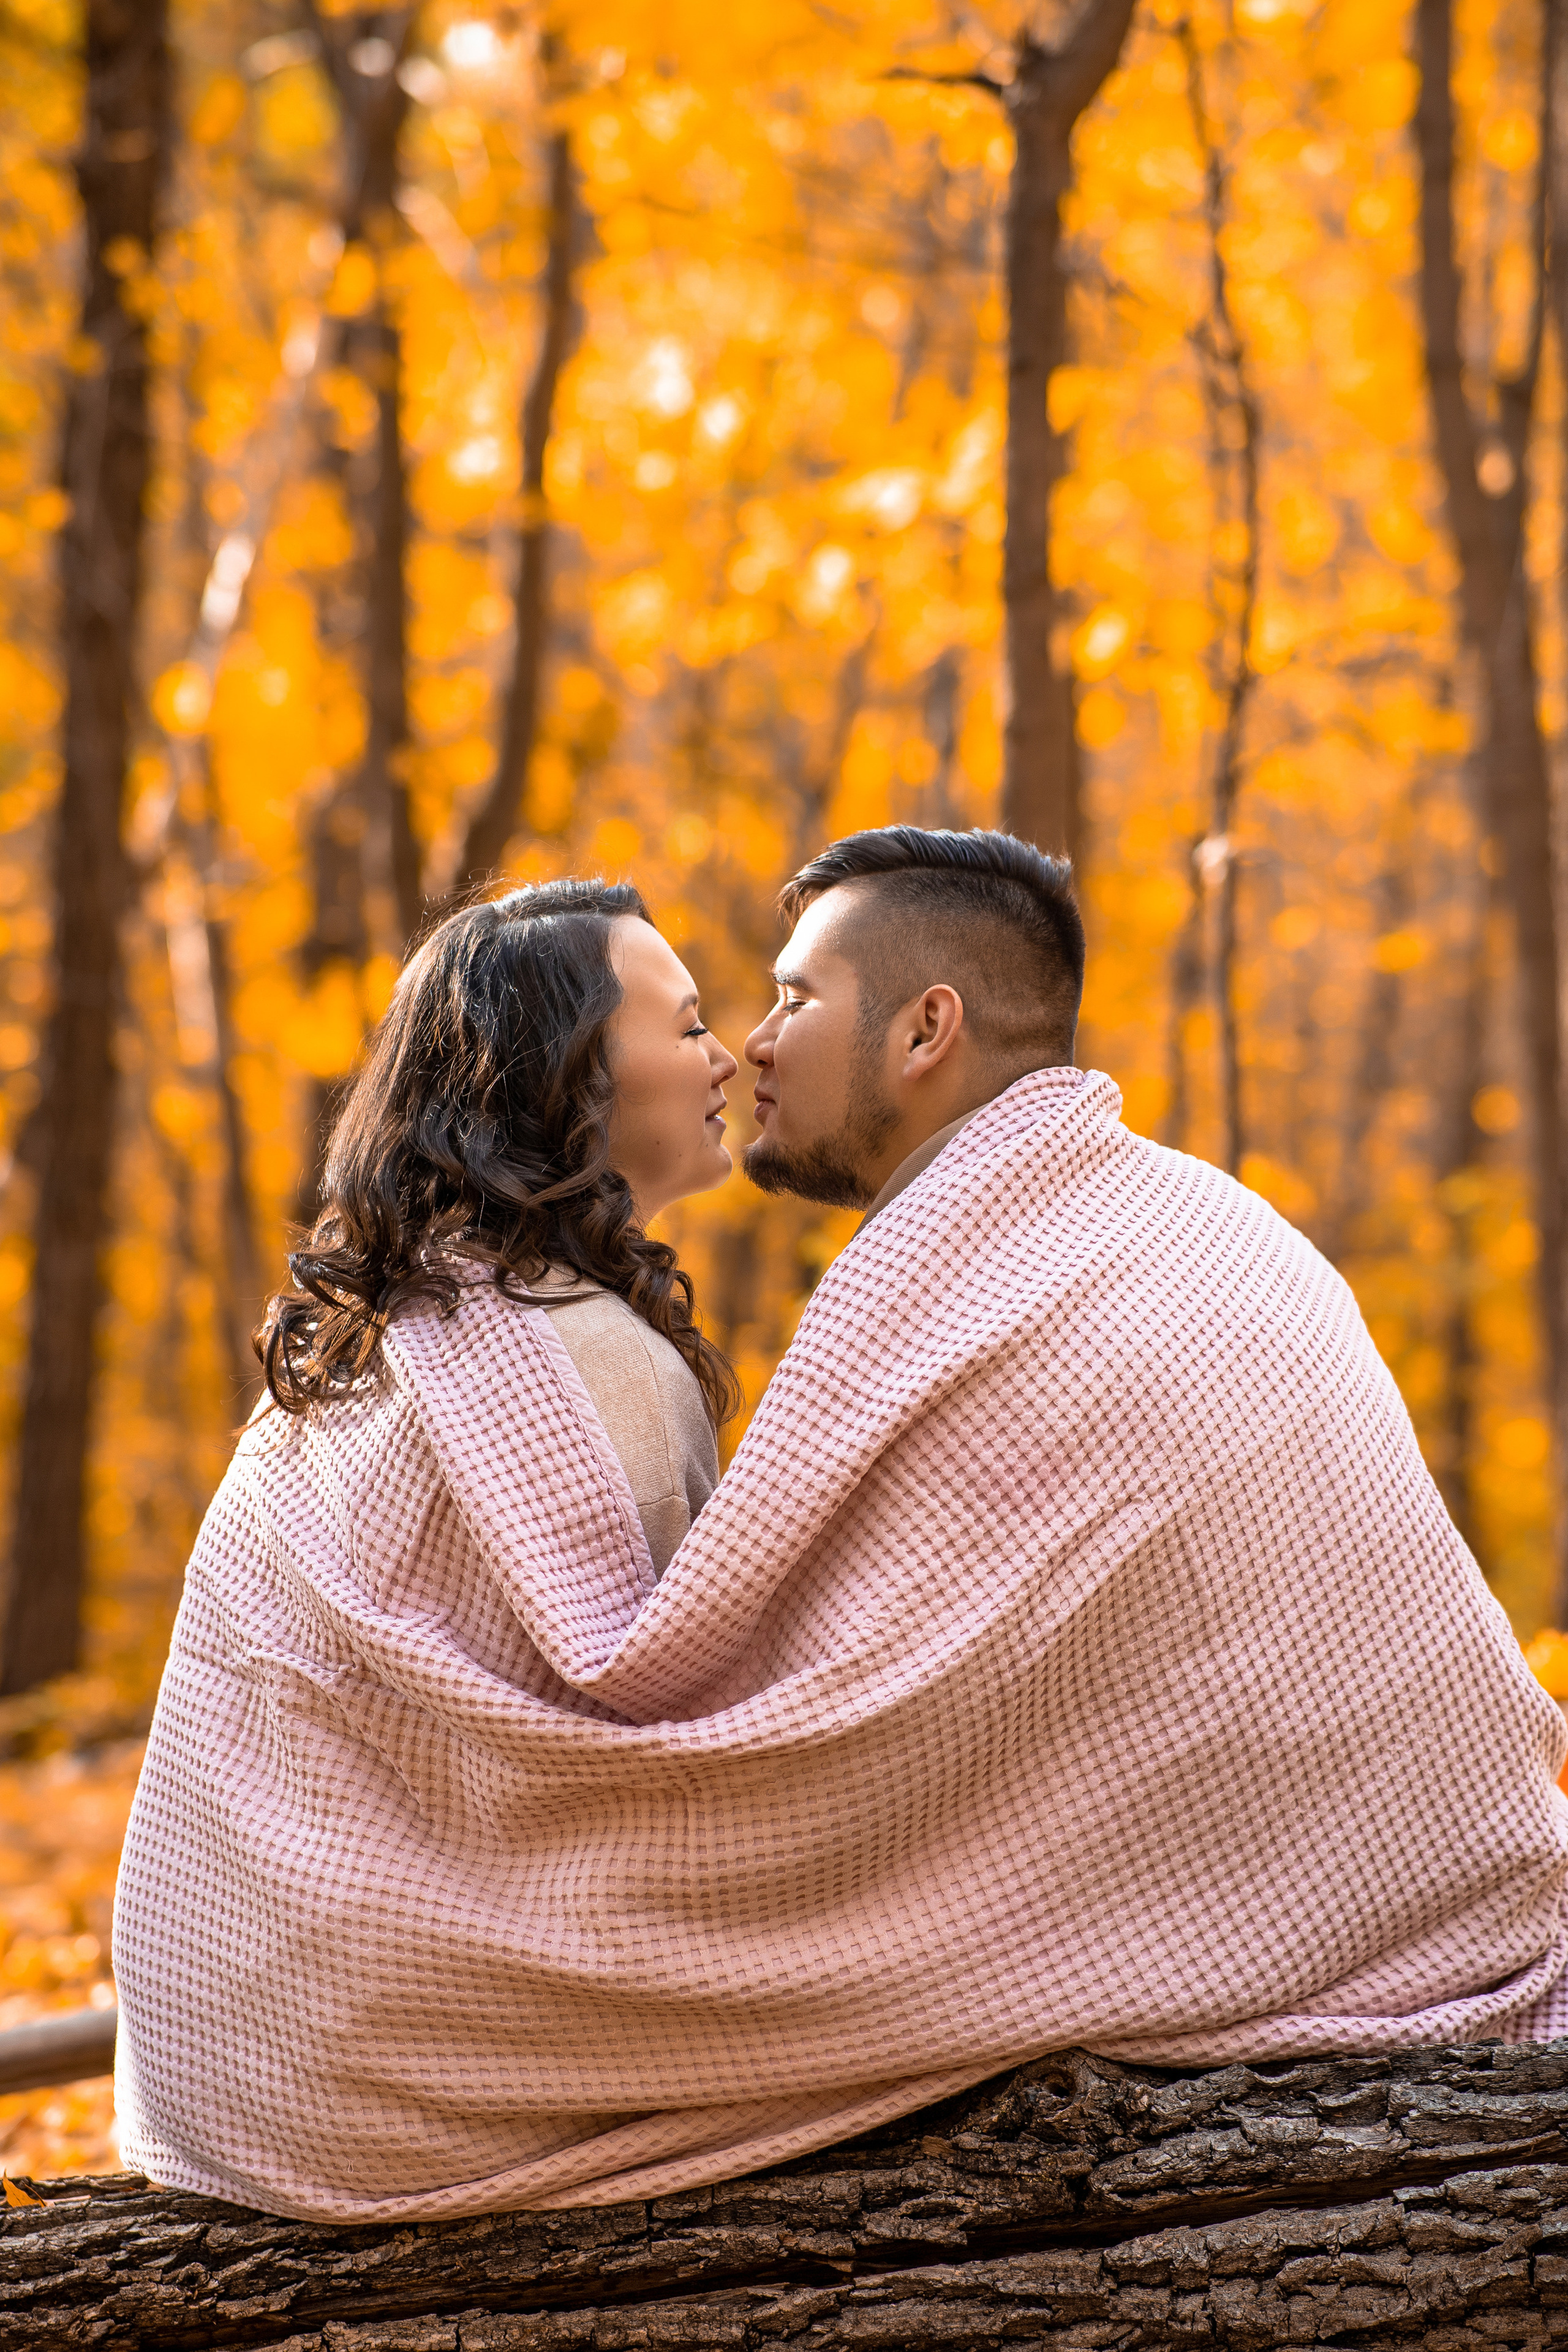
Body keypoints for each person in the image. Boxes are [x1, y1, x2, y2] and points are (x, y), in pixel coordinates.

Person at [115, 830, 1568, 2228]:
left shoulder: (418, 1325)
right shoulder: (1196, 1230)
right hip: (371, 2018)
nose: (741, 1046)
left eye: (784, 999)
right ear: (559, 1074)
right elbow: (772, 1701)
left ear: (924, 1030)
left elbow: (871, 1691)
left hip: (240, 2014)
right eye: (696, 1020)